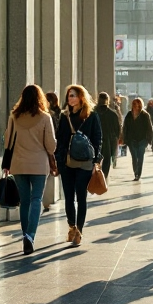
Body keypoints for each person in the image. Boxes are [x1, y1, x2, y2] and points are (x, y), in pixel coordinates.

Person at [2, 85, 57, 254]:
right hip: (39, 165)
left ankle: (26, 234)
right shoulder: (45, 118)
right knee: (36, 200)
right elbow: (51, 146)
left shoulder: (14, 117)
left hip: (19, 164)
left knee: (24, 201)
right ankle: (30, 236)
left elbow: (7, 142)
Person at [54, 84, 102, 247]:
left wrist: (96, 159)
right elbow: (59, 139)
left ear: (81, 97)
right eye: (68, 96)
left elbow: (97, 138)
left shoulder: (91, 116)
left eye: (73, 95)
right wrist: (58, 160)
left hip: (85, 163)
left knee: (81, 197)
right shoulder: (64, 116)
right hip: (67, 162)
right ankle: (71, 227)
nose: (70, 98)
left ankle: (79, 231)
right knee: (68, 197)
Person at [121, 97, 153, 181]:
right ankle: (136, 173)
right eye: (134, 104)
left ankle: (138, 174)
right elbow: (125, 127)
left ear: (140, 105)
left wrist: (149, 140)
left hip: (142, 139)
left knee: (140, 157)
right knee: (134, 157)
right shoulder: (129, 115)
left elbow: (149, 128)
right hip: (131, 140)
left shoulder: (145, 115)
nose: (135, 106)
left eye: (137, 104)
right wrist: (124, 138)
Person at [43, 90, 63, 211]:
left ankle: (46, 201)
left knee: (48, 173)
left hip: (48, 147)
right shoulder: (58, 113)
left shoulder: (47, 114)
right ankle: (47, 201)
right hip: (54, 146)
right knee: (51, 173)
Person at [96, 92, 122, 179]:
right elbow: (117, 129)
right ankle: (104, 176)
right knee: (106, 160)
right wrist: (117, 138)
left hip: (95, 140)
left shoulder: (93, 112)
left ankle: (97, 176)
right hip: (108, 140)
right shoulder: (113, 114)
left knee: (96, 159)